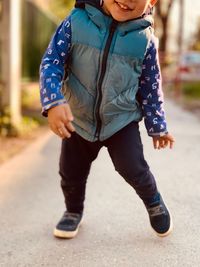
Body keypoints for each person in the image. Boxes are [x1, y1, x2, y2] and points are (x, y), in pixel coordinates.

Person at [39, 0, 175, 239]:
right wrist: (53, 101)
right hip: (78, 118)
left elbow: (151, 89)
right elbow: (52, 62)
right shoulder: (75, 22)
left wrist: (158, 126)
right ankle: (72, 211)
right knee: (70, 172)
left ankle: (153, 200)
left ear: (152, 1)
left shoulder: (145, 41)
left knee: (133, 168)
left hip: (120, 121)